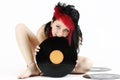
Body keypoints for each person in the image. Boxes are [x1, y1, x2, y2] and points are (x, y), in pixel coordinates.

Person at [15, 2, 93, 79]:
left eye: (66, 30)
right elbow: (44, 56)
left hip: (63, 58)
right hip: (45, 57)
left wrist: (72, 64)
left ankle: (52, 70)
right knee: (20, 27)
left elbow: (70, 55)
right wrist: (38, 51)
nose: (60, 34)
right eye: (58, 26)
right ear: (52, 23)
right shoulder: (42, 31)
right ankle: (32, 67)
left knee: (88, 63)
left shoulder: (76, 37)